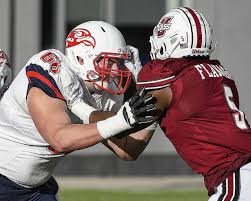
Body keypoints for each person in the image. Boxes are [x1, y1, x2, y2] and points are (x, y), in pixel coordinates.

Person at [0, 21, 157, 200]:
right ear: (81, 58)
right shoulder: (54, 71)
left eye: (119, 63)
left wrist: (150, 98)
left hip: (37, 188)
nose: (115, 71)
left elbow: (128, 149)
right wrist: (121, 120)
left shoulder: (104, 93)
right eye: (110, 61)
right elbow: (60, 138)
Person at [136, 7, 251, 201]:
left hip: (238, 175)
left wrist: (83, 107)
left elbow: (129, 136)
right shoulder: (218, 72)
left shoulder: (179, 84)